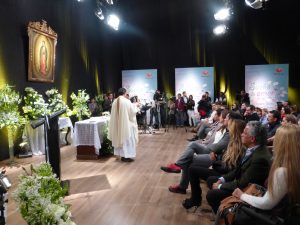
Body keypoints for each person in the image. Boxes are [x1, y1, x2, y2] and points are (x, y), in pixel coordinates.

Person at [206, 121, 272, 213]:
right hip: (240, 184)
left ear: (252, 139)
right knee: (212, 180)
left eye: (244, 133)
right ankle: (221, 213)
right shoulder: (251, 147)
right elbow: (237, 170)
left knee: (212, 194)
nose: (241, 134)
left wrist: (220, 186)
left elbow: (242, 183)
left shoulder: (260, 158)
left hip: (247, 192)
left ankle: (226, 216)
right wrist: (222, 180)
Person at [232, 124, 300, 212]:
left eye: (276, 138)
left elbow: (267, 203)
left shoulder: (282, 171)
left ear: (281, 143)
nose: (273, 140)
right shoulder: (293, 165)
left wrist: (242, 195)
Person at [182, 119, 246, 210]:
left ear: (235, 129)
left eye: (231, 126)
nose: (228, 127)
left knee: (192, 165)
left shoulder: (237, 146)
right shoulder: (232, 141)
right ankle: (195, 199)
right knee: (192, 167)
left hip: (223, 173)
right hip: (220, 168)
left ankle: (195, 199)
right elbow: (225, 159)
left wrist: (215, 161)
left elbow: (230, 167)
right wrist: (217, 158)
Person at [108, 88, 139, 162]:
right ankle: (126, 156)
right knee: (127, 140)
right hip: (126, 125)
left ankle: (122, 155)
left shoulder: (115, 101)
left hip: (118, 125)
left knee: (120, 139)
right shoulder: (126, 101)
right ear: (124, 93)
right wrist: (136, 106)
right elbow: (132, 112)